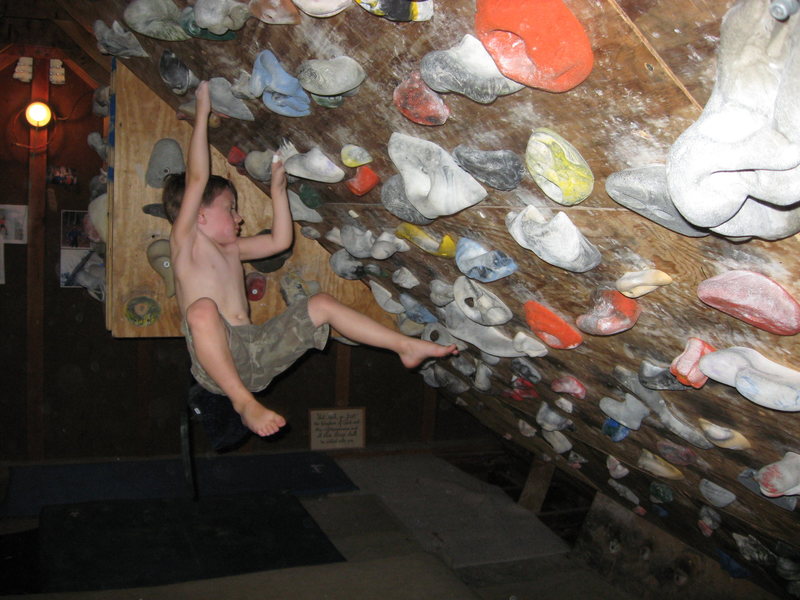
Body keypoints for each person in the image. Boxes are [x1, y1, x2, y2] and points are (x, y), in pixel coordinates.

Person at [164, 81, 457, 437]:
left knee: (319, 304)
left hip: (257, 352)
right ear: (198, 216)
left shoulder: (233, 250)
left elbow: (279, 240)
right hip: (218, 367)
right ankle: (243, 404)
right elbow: (197, 179)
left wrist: (277, 191)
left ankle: (404, 345)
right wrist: (202, 111)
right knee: (201, 310)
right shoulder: (186, 246)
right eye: (231, 209)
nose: (239, 217)